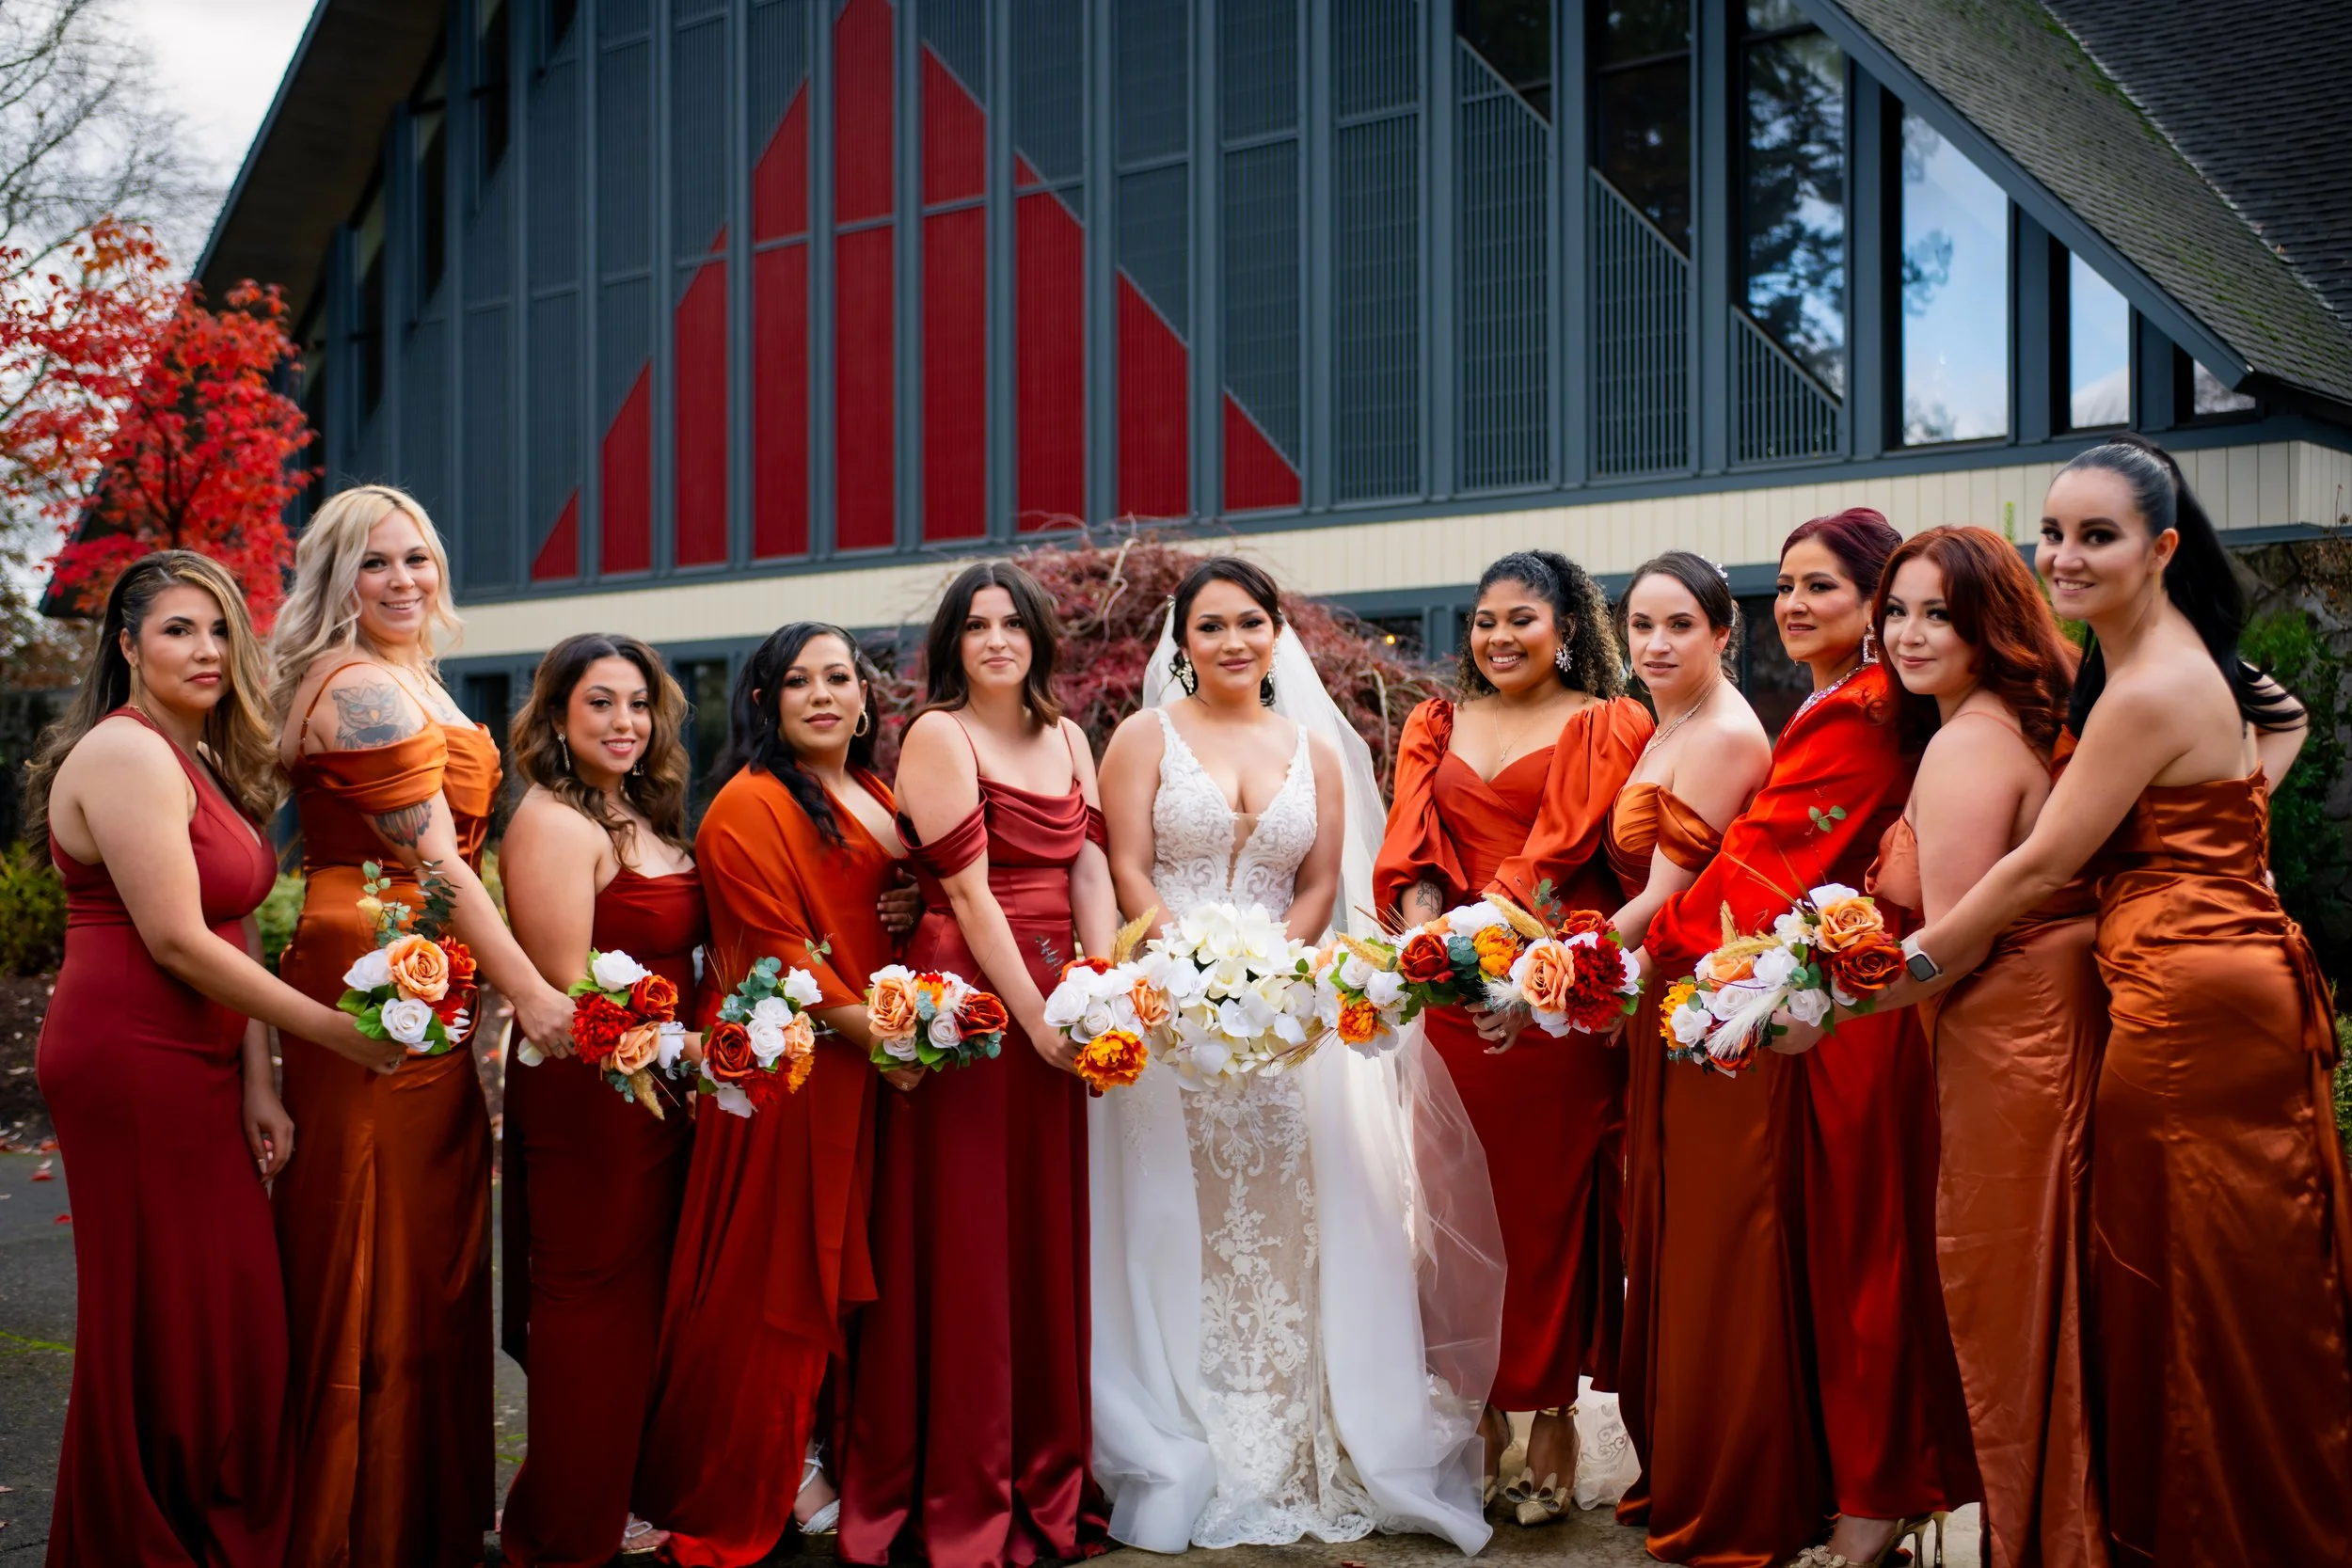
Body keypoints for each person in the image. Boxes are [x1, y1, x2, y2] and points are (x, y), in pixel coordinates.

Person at [1899, 437, 2349, 1565]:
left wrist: (1896, 974)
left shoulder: (2147, 685)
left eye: (2094, 535)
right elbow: (2282, 717)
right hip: (2213, 969)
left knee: (2184, 1273)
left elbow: (2040, 866)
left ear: (2160, 547)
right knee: (2219, 1262)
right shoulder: (2161, 657)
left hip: (2190, 1006)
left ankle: (2212, 1532)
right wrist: (2205, 846)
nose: (2062, 555)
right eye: (2051, 532)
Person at [1089, 557, 1503, 1553]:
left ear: (1277, 632)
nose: (1231, 641)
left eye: (1249, 622)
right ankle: (1184, 1424)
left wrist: (1273, 972)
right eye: (1209, 626)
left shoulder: (1314, 748)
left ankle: (1293, 1430)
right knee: (1169, 1221)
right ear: (1181, 643)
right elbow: (1126, 862)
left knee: (1286, 1222)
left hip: (1282, 1022)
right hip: (1167, 1014)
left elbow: (1322, 881)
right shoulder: (1144, 737)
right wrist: (1182, 966)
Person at [25, 552, 402, 1568]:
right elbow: (179, 942)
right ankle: (140, 1533)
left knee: (230, 1311)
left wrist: (260, 1079)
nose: (205, 649)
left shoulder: (199, 760)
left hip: (203, 1059)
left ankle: (206, 1516)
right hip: (129, 1059)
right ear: (128, 645)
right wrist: (331, 1031)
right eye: (178, 629)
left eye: (220, 629)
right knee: (164, 1313)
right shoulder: (125, 754)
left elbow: (229, 925)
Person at [1625, 510, 1974, 1568]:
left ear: (1877, 602)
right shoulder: (1844, 703)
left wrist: (1648, 956)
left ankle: (1874, 1499)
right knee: (1837, 1264)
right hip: (1818, 1005)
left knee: (1857, 1258)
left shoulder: (1860, 714)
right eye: (1785, 584)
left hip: (1848, 1020)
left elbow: (1761, 868)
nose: (1794, 604)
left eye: (1820, 585)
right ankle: (1858, 1485)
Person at [1771, 527, 2106, 1568]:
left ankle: (2025, 1530)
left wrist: (1822, 1006)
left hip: (2003, 1033)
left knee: (1995, 1280)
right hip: (2028, 1018)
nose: (1908, 634)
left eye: (1937, 614)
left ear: (1986, 624)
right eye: (1899, 611)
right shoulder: (1996, 720)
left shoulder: (1967, 743)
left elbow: (1949, 942)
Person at [266, 484, 578, 1568]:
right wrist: (535, 992)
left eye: (419, 559)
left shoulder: (416, 678)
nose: (404, 580)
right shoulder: (355, 685)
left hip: (430, 972)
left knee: (430, 1239)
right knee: (372, 1244)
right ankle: (355, 1529)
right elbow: (439, 862)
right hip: (368, 965)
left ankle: (423, 1517)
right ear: (335, 578)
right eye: (375, 563)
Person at [839, 562, 1120, 1568]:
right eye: (976, 624)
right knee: (964, 1244)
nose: (996, 638)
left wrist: (1102, 989)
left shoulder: (1070, 735)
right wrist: (1036, 1015)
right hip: (970, 1003)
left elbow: (1086, 863)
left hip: (1058, 997)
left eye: (1013, 622)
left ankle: (1044, 1475)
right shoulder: (937, 734)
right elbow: (967, 895)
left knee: (1041, 1235)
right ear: (952, 641)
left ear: (1040, 636)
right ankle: (962, 1483)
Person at [1374, 549, 1652, 1526]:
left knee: (1550, 1218)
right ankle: (1480, 1409)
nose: (1497, 636)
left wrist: (1503, 962)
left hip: (1555, 989)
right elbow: (1413, 850)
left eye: (1520, 619)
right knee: (1454, 1213)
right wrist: (1426, 943)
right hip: (1455, 998)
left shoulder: (1606, 722)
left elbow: (1559, 851)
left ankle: (1552, 1413)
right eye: (1484, 620)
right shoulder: (1434, 721)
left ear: (1566, 628)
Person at [637, 623, 911, 1565]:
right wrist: (887, 1038)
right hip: (787, 1064)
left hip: (867, 1062)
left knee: (844, 1269)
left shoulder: (873, 790)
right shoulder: (745, 807)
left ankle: (831, 1437)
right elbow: (781, 947)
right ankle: (768, 1464)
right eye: (799, 681)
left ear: (866, 697)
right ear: (765, 701)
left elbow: (890, 893)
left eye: (840, 677)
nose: (824, 695)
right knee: (775, 1274)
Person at [496, 634, 700, 1566]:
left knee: (645, 1303)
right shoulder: (551, 820)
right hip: (591, 1094)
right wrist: (683, 1045)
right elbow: (565, 992)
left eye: (638, 703)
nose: (625, 723)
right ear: (557, 718)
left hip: (660, 1085)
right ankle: (561, 1525)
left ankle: (612, 1490)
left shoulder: (642, 810)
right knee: (588, 1304)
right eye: (600, 704)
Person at [1600, 551, 1773, 1541]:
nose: (1655, 644)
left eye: (1677, 626)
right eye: (1640, 625)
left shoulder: (1719, 735)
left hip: (1693, 995)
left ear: (1722, 631)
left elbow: (1666, 899)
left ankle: (1719, 1464)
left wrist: (1547, 968)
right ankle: (1678, 1448)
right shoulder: (1670, 721)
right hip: (1659, 994)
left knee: (1702, 1234)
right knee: (1659, 1231)